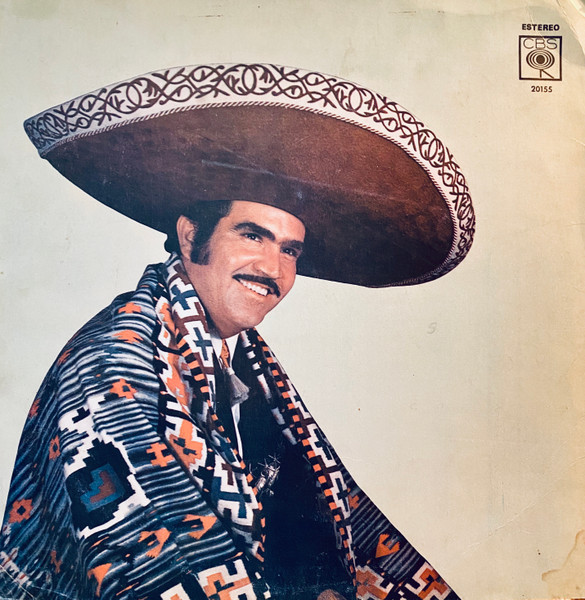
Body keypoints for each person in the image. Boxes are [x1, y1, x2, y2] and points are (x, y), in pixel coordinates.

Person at [0, 64, 475, 600]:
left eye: (290, 251)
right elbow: (155, 563)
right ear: (190, 237)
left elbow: (308, 531)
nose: (272, 268)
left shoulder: (243, 362)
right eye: (252, 236)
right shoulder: (112, 361)